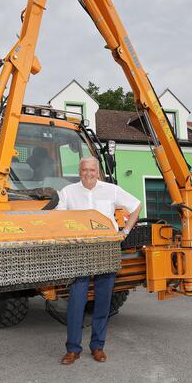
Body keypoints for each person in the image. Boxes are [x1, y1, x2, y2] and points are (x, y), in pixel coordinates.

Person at [56, 156, 141, 365]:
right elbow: (57, 217)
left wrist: (125, 231)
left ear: (98, 172)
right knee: (77, 300)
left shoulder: (111, 190)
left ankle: (97, 347)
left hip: (106, 249)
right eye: (84, 170)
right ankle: (73, 349)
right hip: (80, 250)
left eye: (92, 170)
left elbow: (136, 206)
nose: (88, 174)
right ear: (79, 171)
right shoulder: (68, 192)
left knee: (103, 300)